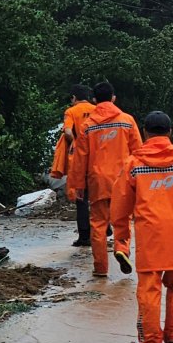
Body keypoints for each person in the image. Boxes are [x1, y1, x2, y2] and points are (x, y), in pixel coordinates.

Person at [111, 111, 173, 343]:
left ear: (144, 132)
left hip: (149, 234)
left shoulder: (133, 164)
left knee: (149, 288)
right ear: (170, 132)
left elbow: (120, 206)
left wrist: (121, 238)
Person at [68, 80, 142, 278]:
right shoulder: (127, 120)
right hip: (123, 179)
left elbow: (79, 159)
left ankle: (101, 268)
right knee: (123, 220)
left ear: (94, 100)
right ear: (114, 98)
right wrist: (141, 181)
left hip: (97, 181)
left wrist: (78, 186)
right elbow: (138, 153)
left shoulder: (88, 125)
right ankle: (121, 249)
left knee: (98, 224)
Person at [64, 85, 95, 246]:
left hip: (79, 159)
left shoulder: (71, 112)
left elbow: (68, 131)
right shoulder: (97, 109)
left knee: (81, 198)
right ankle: (105, 228)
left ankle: (84, 236)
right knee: (99, 196)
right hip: (97, 158)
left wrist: (74, 143)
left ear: (74, 98)